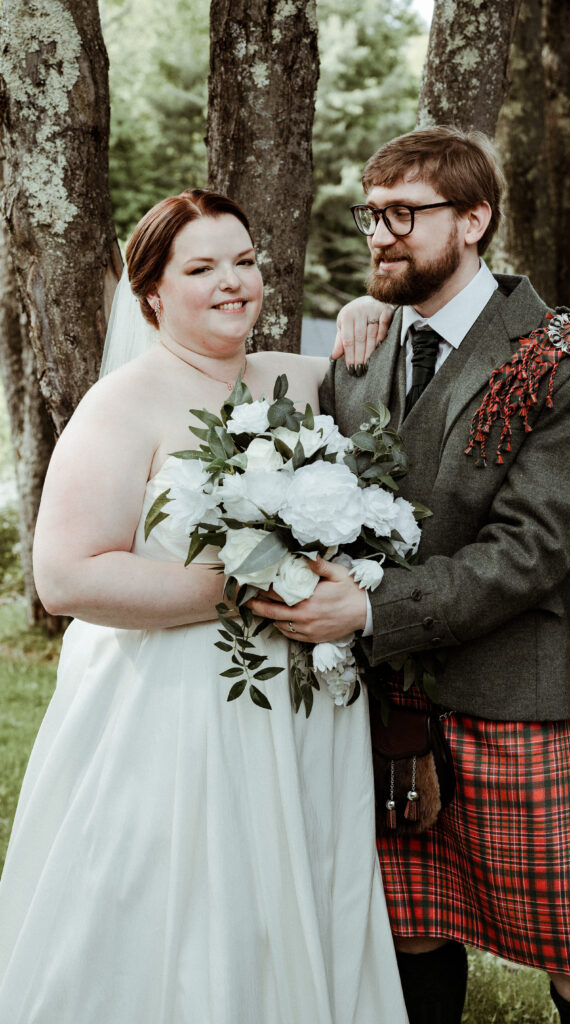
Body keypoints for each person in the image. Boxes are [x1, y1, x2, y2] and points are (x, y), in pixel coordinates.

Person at [249, 127, 570, 1024]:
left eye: (405, 214)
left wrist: (368, 611)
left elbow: (529, 551)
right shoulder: (361, 348)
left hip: (509, 701)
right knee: (409, 935)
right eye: (372, 214)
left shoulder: (565, 359)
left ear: (475, 220)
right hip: (384, 713)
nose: (380, 233)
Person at [0, 188, 409, 1024]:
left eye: (246, 261)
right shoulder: (122, 404)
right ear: (150, 291)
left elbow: (410, 365)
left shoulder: (300, 376)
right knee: (186, 902)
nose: (235, 282)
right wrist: (243, 586)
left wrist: (375, 306)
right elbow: (66, 577)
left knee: (295, 888)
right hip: (176, 709)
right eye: (202, 267)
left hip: (304, 707)